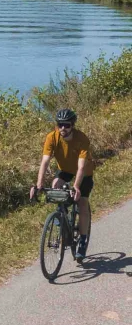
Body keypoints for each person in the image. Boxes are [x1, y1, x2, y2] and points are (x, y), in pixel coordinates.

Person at [30, 108, 94, 262]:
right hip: (64, 169)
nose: (63, 128)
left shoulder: (82, 139)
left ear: (73, 125)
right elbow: (45, 161)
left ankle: (83, 241)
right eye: (60, 125)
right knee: (55, 183)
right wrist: (39, 184)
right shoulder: (52, 137)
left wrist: (76, 187)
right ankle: (61, 211)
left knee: (82, 203)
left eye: (66, 125)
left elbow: (80, 167)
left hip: (84, 173)